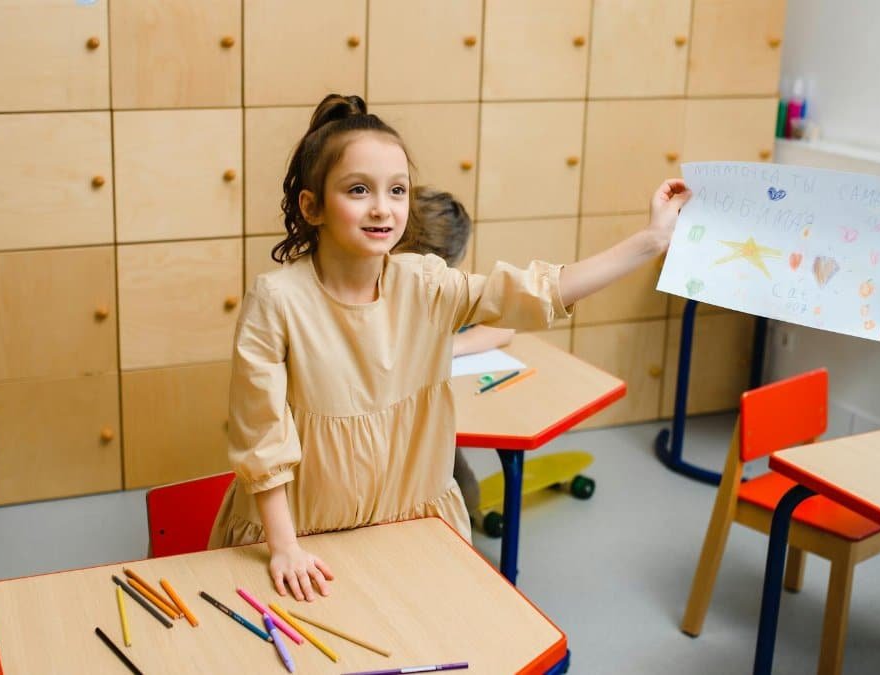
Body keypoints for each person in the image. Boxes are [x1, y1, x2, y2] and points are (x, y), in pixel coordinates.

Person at [208, 93, 690, 603]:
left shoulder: (426, 283)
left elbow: (541, 291)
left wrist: (652, 240)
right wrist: (284, 548)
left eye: (397, 190)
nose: (381, 208)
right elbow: (263, 441)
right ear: (312, 206)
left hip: (410, 528)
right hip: (299, 541)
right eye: (357, 189)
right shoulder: (277, 300)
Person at [394, 186, 512, 526]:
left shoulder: (448, 289)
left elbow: (504, 328)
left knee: (467, 493)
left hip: (434, 426)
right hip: (387, 439)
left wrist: (448, 348)